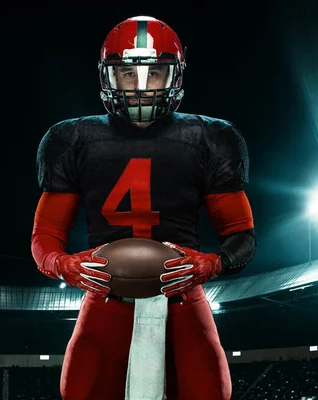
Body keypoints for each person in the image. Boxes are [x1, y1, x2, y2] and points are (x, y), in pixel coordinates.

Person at [30, 15, 256, 400]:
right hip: (106, 296)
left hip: (182, 296)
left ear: (175, 76)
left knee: (209, 394)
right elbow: (45, 236)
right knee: (80, 393)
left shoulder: (208, 138)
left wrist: (211, 263)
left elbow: (241, 236)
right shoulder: (74, 140)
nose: (140, 88)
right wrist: (61, 263)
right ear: (107, 77)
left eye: (154, 75)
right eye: (127, 75)